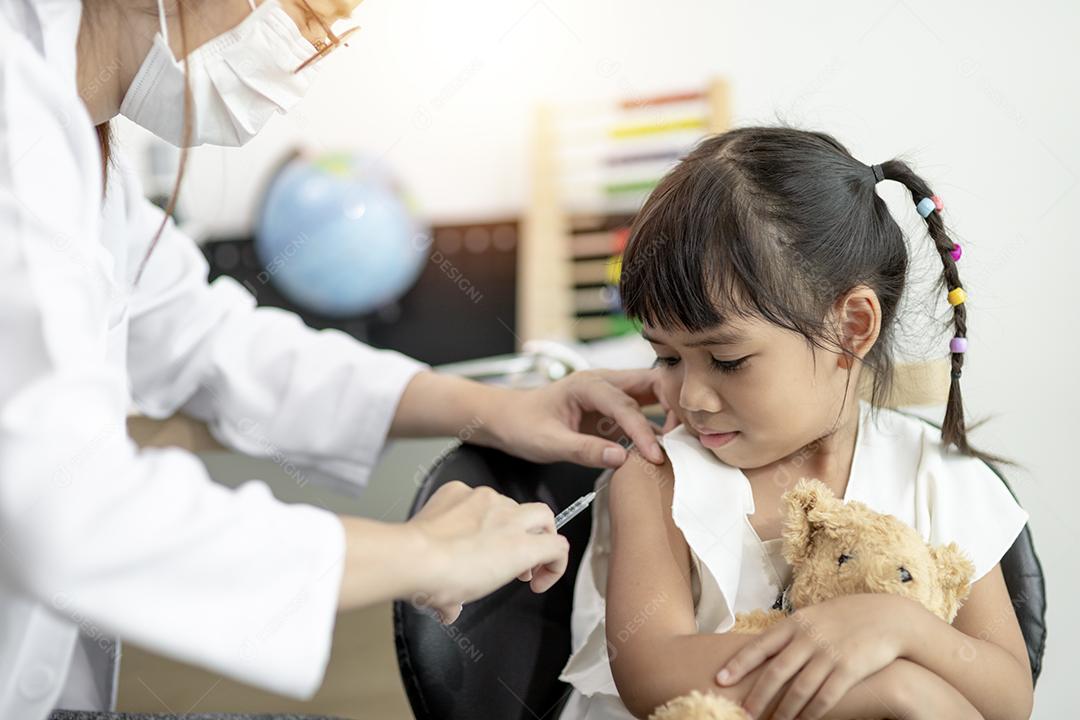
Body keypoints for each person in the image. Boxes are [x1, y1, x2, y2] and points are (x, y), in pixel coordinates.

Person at [0, 1, 669, 718]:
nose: (312, 46)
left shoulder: (69, 133)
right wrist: (423, 553)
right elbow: (60, 511)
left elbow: (203, 338)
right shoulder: (17, 120)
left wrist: (496, 408)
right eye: (306, 9)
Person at [557, 128, 1034, 720]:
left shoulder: (934, 475)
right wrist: (897, 690)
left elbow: (1009, 699)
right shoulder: (659, 480)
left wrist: (903, 627)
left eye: (727, 360)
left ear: (851, 329)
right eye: (667, 358)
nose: (691, 397)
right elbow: (652, 670)